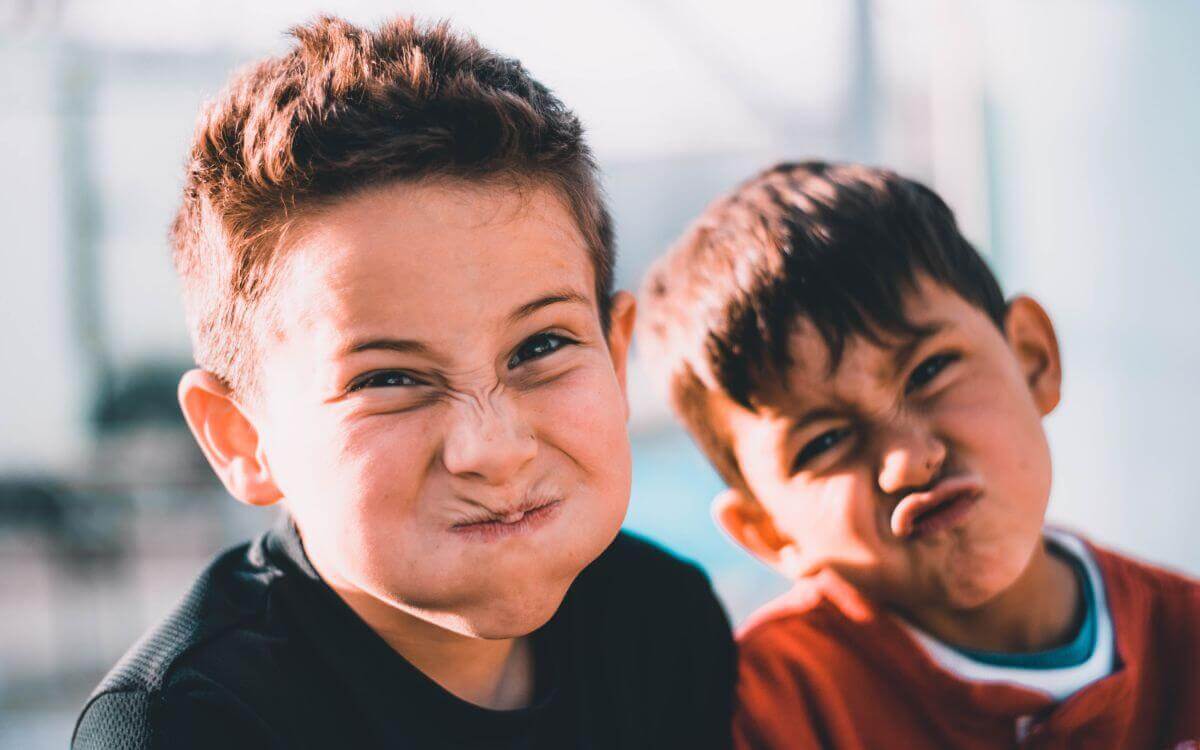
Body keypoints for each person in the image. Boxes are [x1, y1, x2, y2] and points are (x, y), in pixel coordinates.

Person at [72, 16, 734, 750]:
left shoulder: (663, 625)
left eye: (540, 346)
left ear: (616, 352)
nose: (493, 449)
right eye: (389, 379)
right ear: (242, 439)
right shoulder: (189, 724)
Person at [637, 160, 1200, 747]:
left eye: (930, 371)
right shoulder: (764, 713)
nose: (907, 461)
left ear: (1033, 358)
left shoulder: (1185, 638)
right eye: (824, 441)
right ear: (768, 532)